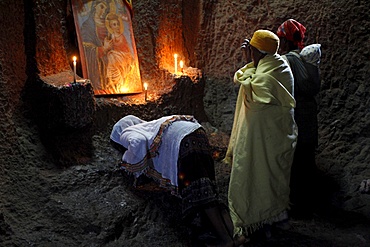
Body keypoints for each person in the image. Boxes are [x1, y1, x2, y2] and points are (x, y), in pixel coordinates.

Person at [110, 115, 246, 247]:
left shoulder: (128, 131)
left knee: (202, 196)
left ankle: (225, 240)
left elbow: (137, 141)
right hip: (197, 133)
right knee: (210, 191)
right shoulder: (153, 125)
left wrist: (127, 161)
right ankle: (236, 236)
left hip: (185, 144)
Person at [224, 30, 297, 239]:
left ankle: (260, 217)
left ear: (260, 52)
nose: (249, 53)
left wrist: (248, 62)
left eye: (252, 50)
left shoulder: (273, 72)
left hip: (268, 139)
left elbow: (250, 86)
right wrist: (252, 61)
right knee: (266, 175)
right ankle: (269, 218)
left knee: (257, 173)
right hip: (268, 137)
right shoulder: (277, 64)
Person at [277, 19, 321, 217]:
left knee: (293, 162)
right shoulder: (306, 59)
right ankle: (309, 204)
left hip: (295, 118)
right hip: (310, 117)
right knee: (307, 160)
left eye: (280, 39)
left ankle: (295, 207)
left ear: (286, 42)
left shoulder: (287, 61)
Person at [80, 0, 111, 92]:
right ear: (95, 6)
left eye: (106, 8)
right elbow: (86, 48)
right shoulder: (87, 26)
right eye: (101, 6)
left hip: (108, 61)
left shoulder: (108, 24)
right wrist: (102, 49)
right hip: (96, 65)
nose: (104, 10)